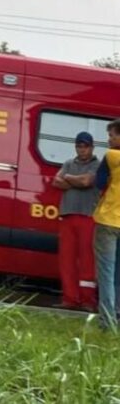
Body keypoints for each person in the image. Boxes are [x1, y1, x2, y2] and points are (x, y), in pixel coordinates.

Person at [51, 131, 100, 310]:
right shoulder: (68, 163)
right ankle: (70, 298)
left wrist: (69, 178)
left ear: (92, 147)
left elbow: (87, 181)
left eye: (85, 146)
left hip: (88, 217)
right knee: (67, 259)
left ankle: (88, 300)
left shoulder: (98, 165)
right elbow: (56, 182)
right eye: (79, 146)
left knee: (87, 260)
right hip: (67, 216)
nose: (82, 149)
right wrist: (75, 181)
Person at [93, 119, 120, 329]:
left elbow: (99, 183)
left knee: (106, 273)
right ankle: (117, 315)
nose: (109, 139)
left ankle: (107, 322)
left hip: (109, 220)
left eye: (112, 135)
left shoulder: (111, 156)